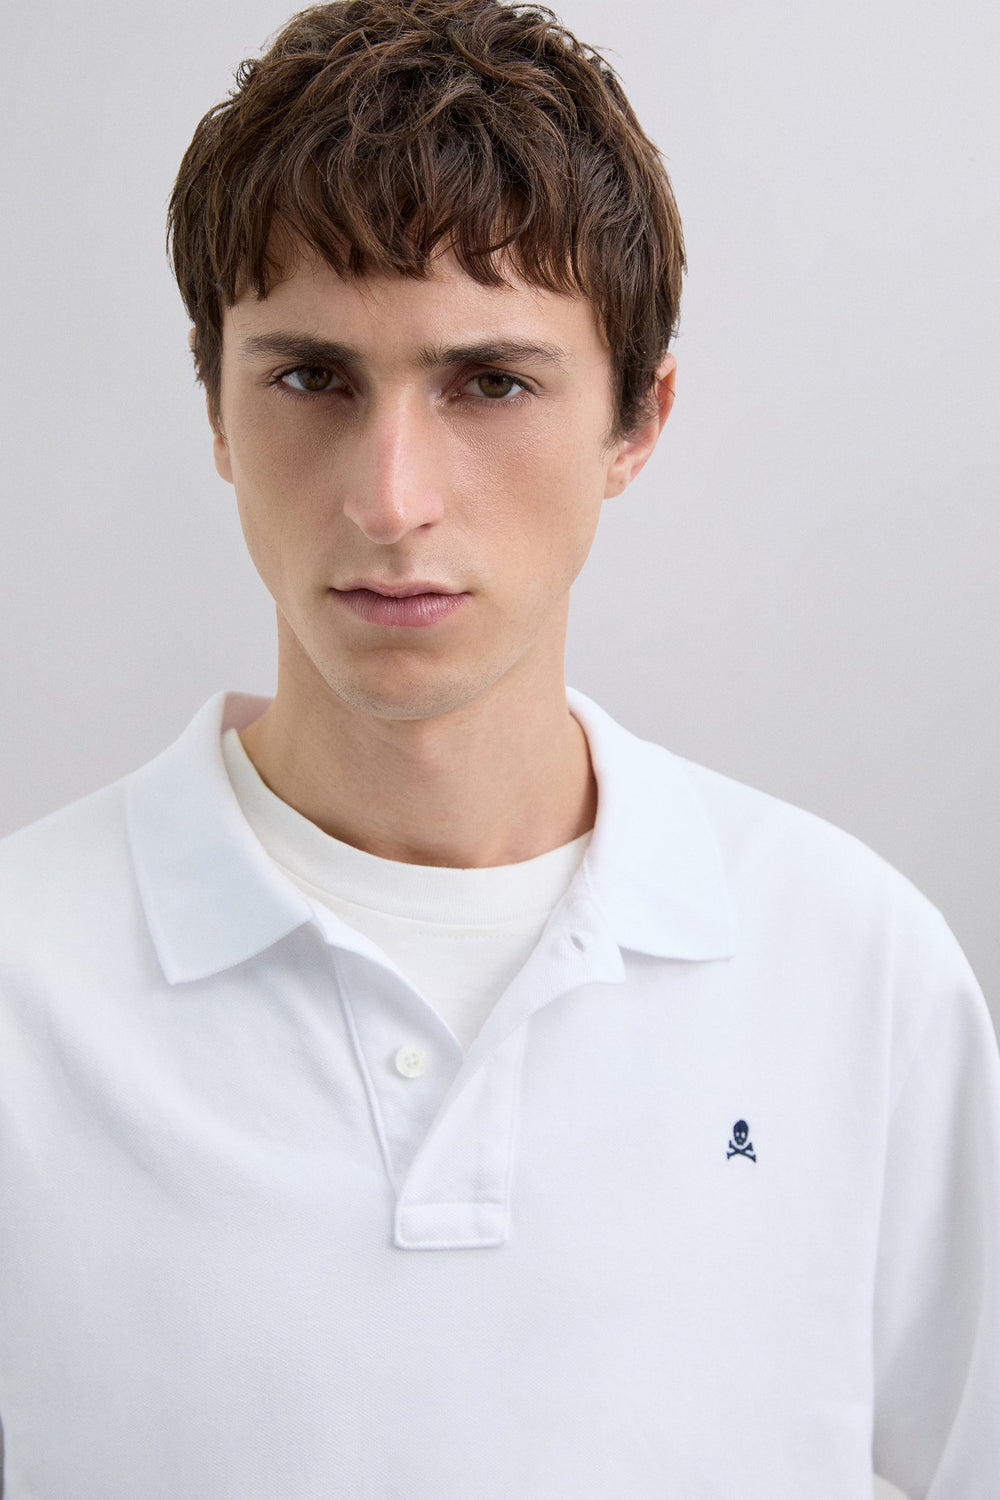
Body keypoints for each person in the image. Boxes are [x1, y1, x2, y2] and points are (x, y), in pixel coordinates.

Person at [0, 0, 996, 1494]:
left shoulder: (861, 973)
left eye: (491, 382)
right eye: (311, 378)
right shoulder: (21, 993)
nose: (391, 497)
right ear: (214, 407)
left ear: (637, 423)